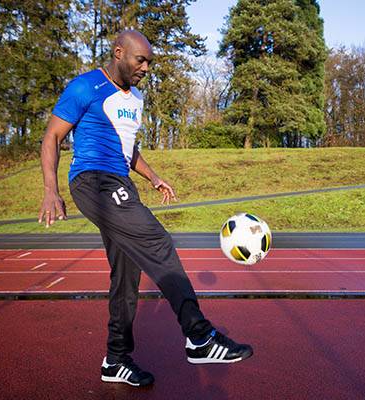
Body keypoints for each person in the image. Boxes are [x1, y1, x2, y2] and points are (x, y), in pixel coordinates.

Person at [38, 30, 252, 387]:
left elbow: (128, 146)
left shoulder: (136, 98)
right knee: (157, 242)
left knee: (127, 274)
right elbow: (52, 137)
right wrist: (50, 189)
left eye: (149, 62)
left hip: (121, 183)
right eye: (141, 60)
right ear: (119, 53)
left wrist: (152, 176)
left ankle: (116, 360)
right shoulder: (84, 87)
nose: (146, 68)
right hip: (92, 180)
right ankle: (199, 336)